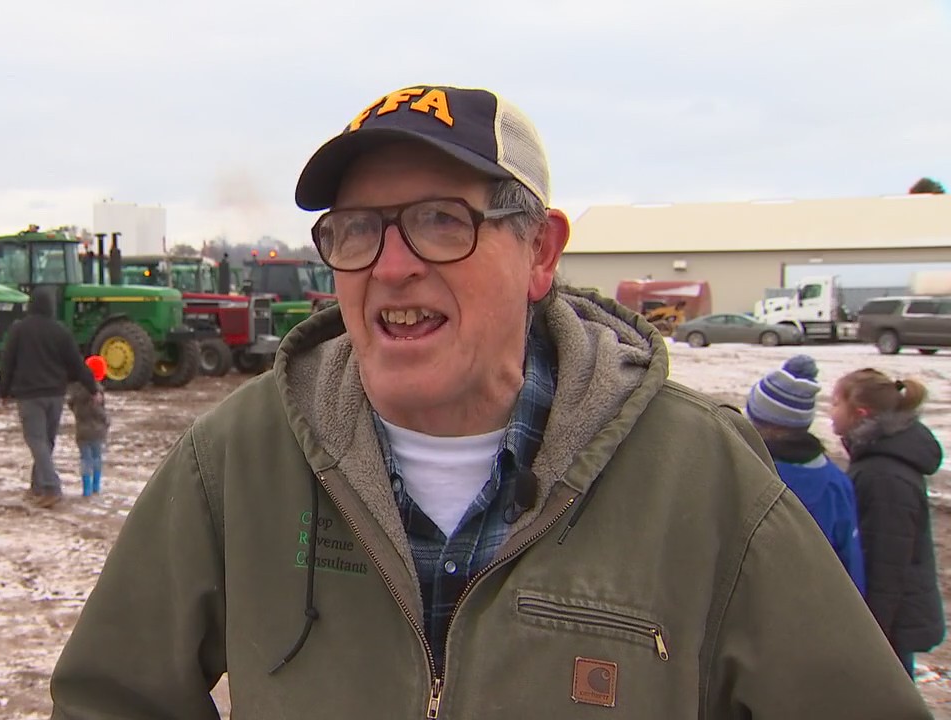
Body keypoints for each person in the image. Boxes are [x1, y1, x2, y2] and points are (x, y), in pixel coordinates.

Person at [50, 84, 931, 717]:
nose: (392, 265)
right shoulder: (236, 460)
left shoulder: (701, 477)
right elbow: (110, 697)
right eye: (357, 230)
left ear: (540, 252)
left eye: (440, 220)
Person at [831, 367, 946, 679]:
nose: (830, 411)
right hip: (893, 616)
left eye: (836, 403)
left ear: (860, 413)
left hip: (890, 622)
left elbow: (886, 563)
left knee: (887, 694)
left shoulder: (882, 475)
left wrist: (872, 635)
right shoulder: (880, 457)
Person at [746, 355, 866, 594]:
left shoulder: (749, 473)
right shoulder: (835, 482)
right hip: (817, 606)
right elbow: (850, 564)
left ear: (756, 419)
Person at [0, 287, 98, 508]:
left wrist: (3, 391)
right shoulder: (60, 331)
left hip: (29, 395)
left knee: (36, 441)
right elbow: (77, 363)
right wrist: (92, 388)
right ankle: (38, 487)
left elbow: (8, 361)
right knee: (46, 441)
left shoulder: (19, 329)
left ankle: (51, 488)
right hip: (55, 395)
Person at [68, 356, 110, 497]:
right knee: (96, 458)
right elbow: (98, 411)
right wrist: (106, 420)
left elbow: (71, 405)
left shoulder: (76, 392)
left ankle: (86, 489)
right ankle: (95, 487)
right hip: (97, 431)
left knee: (85, 459)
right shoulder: (97, 392)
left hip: (81, 431)